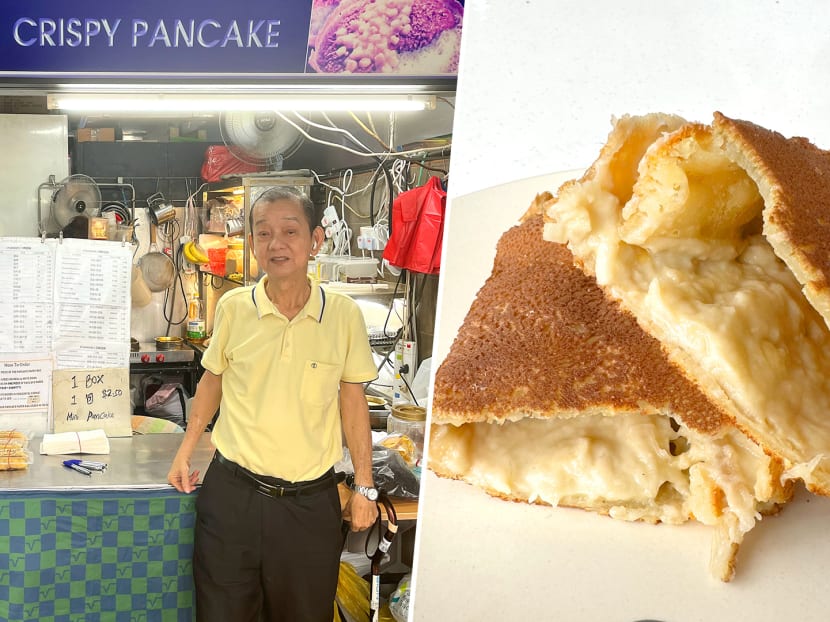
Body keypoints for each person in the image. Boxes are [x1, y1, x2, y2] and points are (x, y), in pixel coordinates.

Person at [167, 186, 379, 622]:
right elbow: (212, 381)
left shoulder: (342, 316)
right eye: (263, 233)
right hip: (232, 499)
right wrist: (185, 450)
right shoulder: (233, 308)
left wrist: (364, 485)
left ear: (315, 240)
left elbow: (352, 402)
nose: (276, 243)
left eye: (289, 231)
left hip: (309, 504)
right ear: (253, 243)